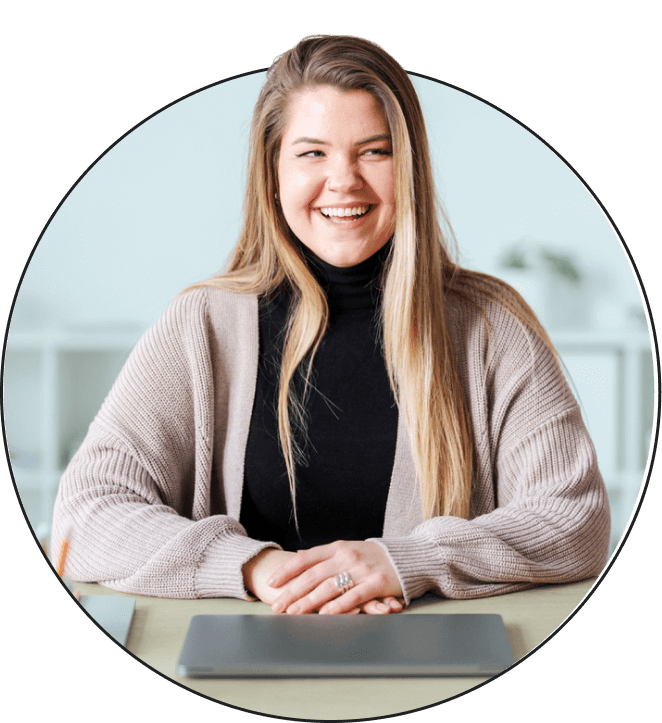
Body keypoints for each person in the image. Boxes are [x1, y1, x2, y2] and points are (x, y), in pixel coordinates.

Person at [51, 35, 610, 616]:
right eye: (312, 153)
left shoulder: (492, 327)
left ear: (410, 169)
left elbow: (575, 519)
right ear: (272, 174)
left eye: (375, 151)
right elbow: (87, 512)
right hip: (242, 671)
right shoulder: (204, 324)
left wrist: (403, 561)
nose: (343, 181)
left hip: (436, 667)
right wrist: (253, 567)